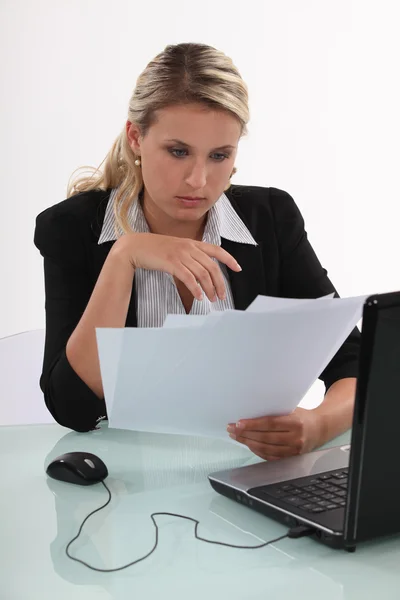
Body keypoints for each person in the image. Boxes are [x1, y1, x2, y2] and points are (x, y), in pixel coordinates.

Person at [34, 42, 360, 461]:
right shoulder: (72, 228)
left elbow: (354, 362)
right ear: (136, 137)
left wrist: (319, 424)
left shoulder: (270, 220)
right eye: (178, 151)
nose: (197, 180)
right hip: (120, 491)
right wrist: (124, 255)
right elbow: (73, 408)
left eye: (220, 156)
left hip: (245, 479)